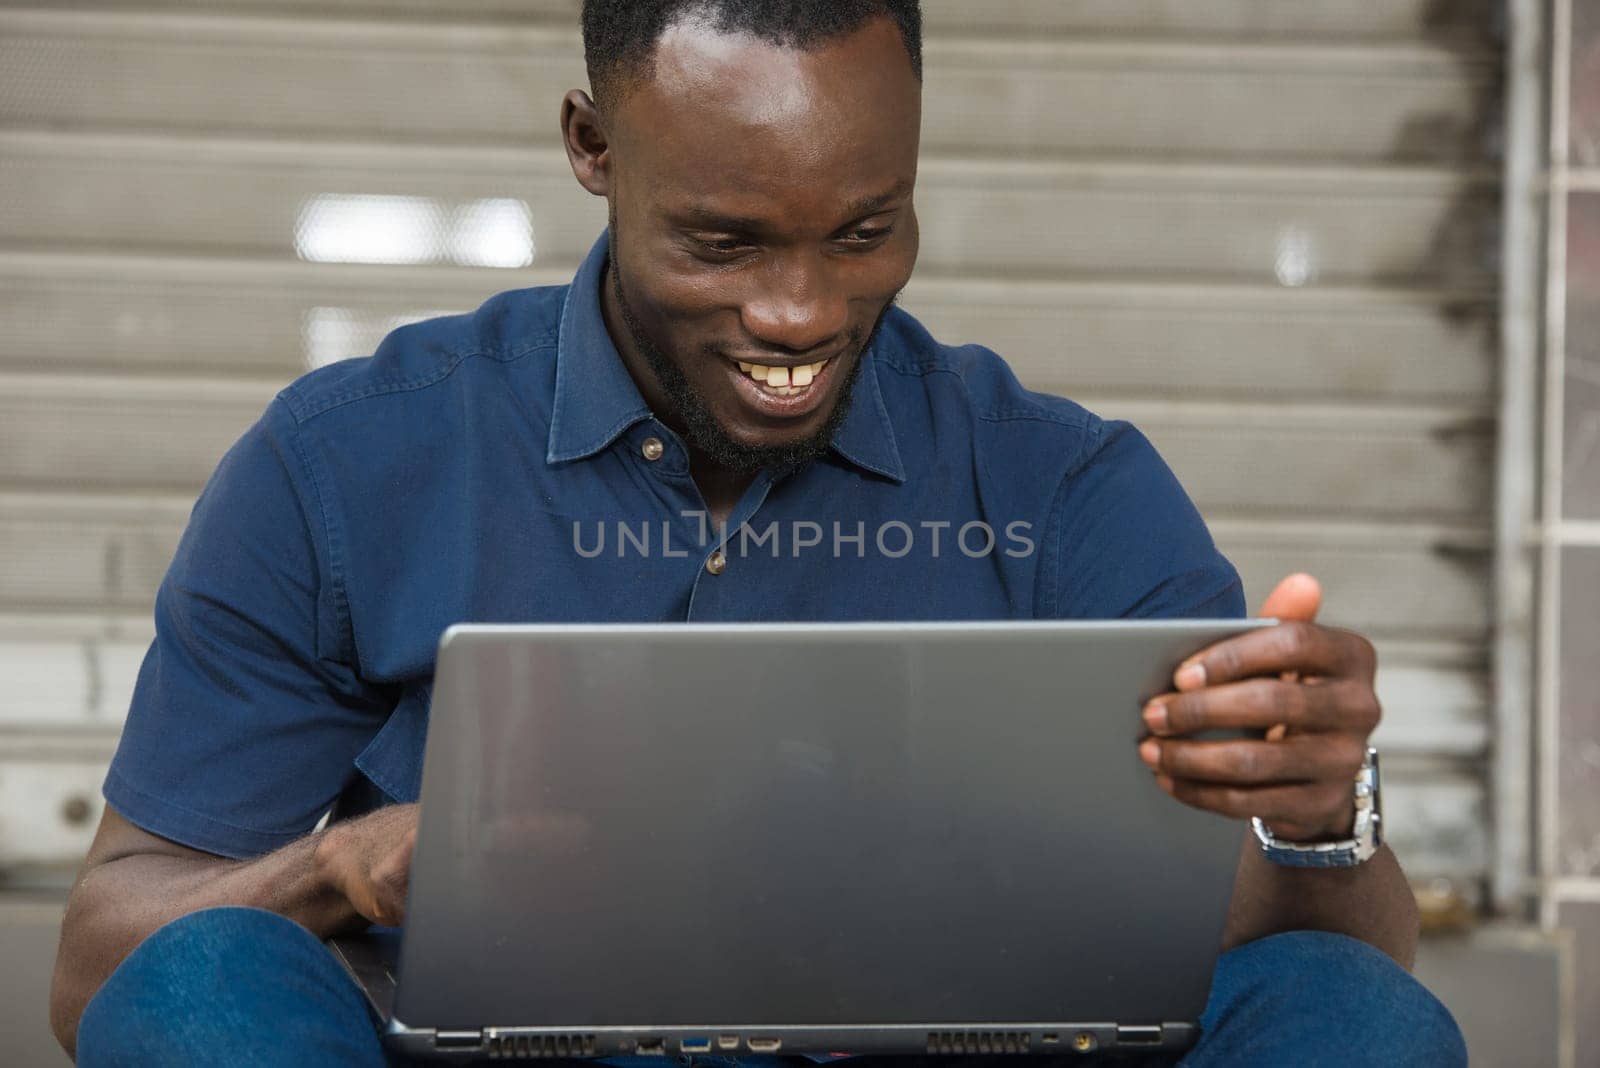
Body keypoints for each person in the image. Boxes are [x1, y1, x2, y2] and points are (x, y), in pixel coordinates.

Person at [50, 1, 1467, 1064]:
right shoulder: (346, 465)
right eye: (724, 243)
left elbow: (1336, 972)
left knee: (1354, 1015)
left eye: (866, 232)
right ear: (592, 149)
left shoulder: (1065, 486)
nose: (799, 314)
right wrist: (336, 867)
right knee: (198, 987)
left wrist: (1311, 812)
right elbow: (100, 964)